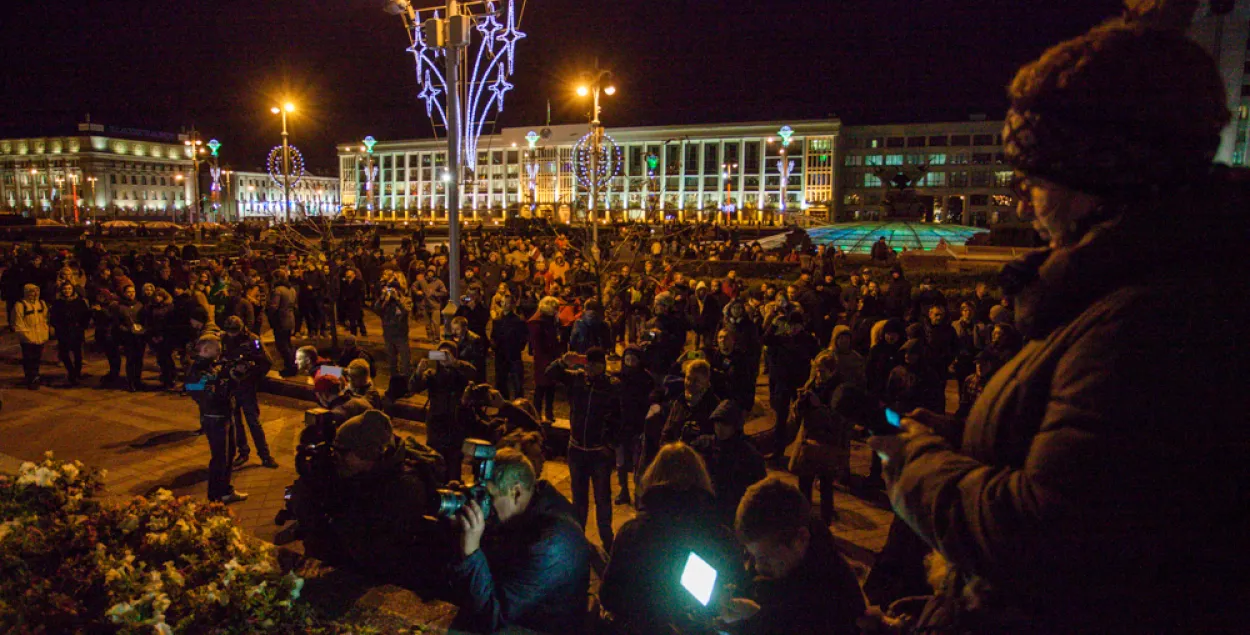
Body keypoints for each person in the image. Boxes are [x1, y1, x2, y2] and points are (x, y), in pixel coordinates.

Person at [868, 3, 1250, 631]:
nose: (1025, 197)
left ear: (1093, 178)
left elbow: (1049, 535)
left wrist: (916, 466)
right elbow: (1087, 461)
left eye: (1034, 176)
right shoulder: (1139, 292)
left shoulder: (1155, 323)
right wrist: (963, 436)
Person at [599, 442, 745, 634]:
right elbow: (738, 596)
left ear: (651, 479)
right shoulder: (722, 537)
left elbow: (609, 596)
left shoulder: (632, 534)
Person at [449, 448, 591, 635]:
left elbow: (492, 615)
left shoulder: (550, 543)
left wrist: (471, 551)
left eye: (489, 497)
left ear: (516, 492)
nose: (485, 505)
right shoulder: (535, 504)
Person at [722, 478, 866, 635]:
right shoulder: (784, 566)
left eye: (766, 558)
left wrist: (759, 621)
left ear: (801, 538)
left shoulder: (835, 599)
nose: (757, 566)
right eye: (751, 556)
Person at [545, 347, 621, 550]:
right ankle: (579, 539)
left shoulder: (611, 386)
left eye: (598, 363)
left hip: (598, 453)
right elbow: (548, 375)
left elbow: (620, 418)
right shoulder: (577, 380)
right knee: (579, 499)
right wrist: (563, 361)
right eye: (590, 362)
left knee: (602, 499)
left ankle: (607, 539)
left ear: (604, 365)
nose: (593, 367)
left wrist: (609, 444)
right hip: (577, 450)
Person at [789, 353, 851, 524]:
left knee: (825, 485)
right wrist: (799, 404)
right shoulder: (812, 385)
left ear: (832, 371)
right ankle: (805, 518)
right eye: (816, 371)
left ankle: (825, 521)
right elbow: (796, 417)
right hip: (808, 441)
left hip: (827, 442)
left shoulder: (839, 390)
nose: (818, 375)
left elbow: (837, 419)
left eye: (822, 371)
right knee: (804, 482)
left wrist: (819, 406)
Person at [185, 333, 247, 504]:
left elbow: (224, 388)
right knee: (220, 458)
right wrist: (221, 382)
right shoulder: (196, 371)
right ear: (205, 349)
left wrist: (235, 377)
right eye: (216, 349)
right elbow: (201, 392)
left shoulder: (212, 366)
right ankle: (216, 496)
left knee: (228, 455)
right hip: (215, 419)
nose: (220, 352)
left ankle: (225, 491)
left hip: (224, 415)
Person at [689, 399, 767, 527]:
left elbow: (757, 488)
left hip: (733, 512)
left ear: (735, 426)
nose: (720, 428)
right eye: (717, 423)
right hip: (706, 512)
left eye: (725, 424)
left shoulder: (748, 454)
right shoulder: (703, 445)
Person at [408, 341, 476, 480]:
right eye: (440, 354)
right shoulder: (432, 374)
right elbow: (414, 388)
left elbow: (473, 373)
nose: (443, 358)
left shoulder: (461, 372)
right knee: (435, 463)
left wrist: (455, 363)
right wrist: (418, 373)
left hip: (455, 424)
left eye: (447, 354)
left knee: (453, 465)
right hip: (436, 425)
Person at [219, 317, 278, 469]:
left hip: (247, 386)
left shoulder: (253, 340)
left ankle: (265, 455)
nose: (232, 335)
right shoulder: (224, 339)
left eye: (234, 331)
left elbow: (266, 361)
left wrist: (251, 375)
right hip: (232, 385)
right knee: (236, 422)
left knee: (253, 422)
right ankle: (243, 452)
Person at [613, 344, 655, 504]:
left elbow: (651, 399)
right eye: (627, 359)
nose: (630, 363)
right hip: (621, 426)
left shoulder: (646, 379)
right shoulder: (618, 378)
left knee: (638, 463)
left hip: (638, 426)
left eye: (633, 359)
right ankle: (623, 491)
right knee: (621, 462)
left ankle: (638, 494)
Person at [526, 296, 561, 422]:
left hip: (550, 357)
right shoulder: (537, 322)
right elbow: (538, 344)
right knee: (541, 388)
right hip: (543, 359)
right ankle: (537, 413)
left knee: (550, 387)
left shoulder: (548, 320)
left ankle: (548, 413)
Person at [49, 281, 90, 387]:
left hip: (76, 331)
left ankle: (76, 373)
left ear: (73, 290)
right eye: (65, 289)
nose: (67, 291)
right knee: (64, 353)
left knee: (78, 354)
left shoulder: (79, 302)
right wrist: (58, 327)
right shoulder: (58, 303)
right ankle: (71, 372)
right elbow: (53, 317)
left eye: (69, 289)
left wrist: (82, 326)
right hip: (63, 332)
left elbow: (86, 315)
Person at [489, 294, 527, 400]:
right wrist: (494, 345)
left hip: (513, 354)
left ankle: (518, 404)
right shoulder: (497, 320)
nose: (504, 305)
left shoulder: (518, 321)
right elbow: (493, 336)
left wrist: (518, 347)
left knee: (517, 382)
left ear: (513, 305)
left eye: (507, 303)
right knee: (501, 381)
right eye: (502, 302)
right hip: (501, 354)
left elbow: (523, 337)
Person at [13, 283, 49, 389]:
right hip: (28, 338)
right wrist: (26, 336)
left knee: (37, 358)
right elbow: (18, 322)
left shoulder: (41, 304)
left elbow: (45, 319)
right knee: (29, 359)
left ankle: (35, 376)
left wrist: (45, 333)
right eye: (32, 291)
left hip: (40, 337)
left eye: (36, 291)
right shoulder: (20, 305)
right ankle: (30, 378)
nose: (35, 293)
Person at [374, 276, 412, 376]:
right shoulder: (386, 302)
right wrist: (382, 298)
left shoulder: (405, 300)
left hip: (401, 336)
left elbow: (406, 312)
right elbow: (377, 310)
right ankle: (394, 380)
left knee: (405, 361)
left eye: (393, 289)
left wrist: (397, 300)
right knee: (392, 362)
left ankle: (406, 381)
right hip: (388, 335)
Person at [112, 283, 146, 392]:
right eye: (128, 292)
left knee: (139, 359)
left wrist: (142, 328)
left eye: (133, 292)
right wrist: (125, 329)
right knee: (130, 359)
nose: (131, 294)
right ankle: (130, 381)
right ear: (124, 293)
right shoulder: (120, 307)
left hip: (139, 336)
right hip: (128, 337)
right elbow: (117, 323)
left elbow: (144, 320)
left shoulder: (139, 305)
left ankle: (138, 380)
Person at [267, 268, 298, 376]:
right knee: (288, 343)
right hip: (290, 318)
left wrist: (269, 313)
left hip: (281, 320)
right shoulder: (291, 289)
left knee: (282, 345)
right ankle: (293, 365)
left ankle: (290, 367)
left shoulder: (278, 290)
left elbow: (274, 307)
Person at [449, 316, 488, 384]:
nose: (454, 332)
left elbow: (477, 362)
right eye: (452, 329)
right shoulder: (452, 338)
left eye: (457, 329)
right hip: (456, 374)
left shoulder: (474, 340)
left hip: (468, 376)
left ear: (465, 328)